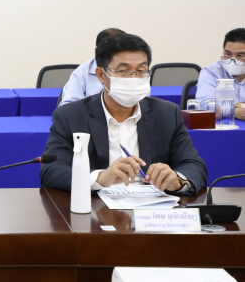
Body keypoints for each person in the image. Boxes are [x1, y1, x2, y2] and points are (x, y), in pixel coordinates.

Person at [41, 33, 207, 193]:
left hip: (152, 207)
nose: (133, 78)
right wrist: (100, 177)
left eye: (141, 71)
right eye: (122, 71)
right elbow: (51, 171)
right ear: (101, 75)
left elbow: (194, 166)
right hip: (96, 206)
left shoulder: (167, 114)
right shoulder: (70, 116)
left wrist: (177, 180)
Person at [59, 28, 126, 106]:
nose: (116, 57)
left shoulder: (135, 71)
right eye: (112, 52)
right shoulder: (81, 73)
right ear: (97, 51)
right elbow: (67, 107)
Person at [196, 28, 245, 120]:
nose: (232, 59)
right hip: (222, 126)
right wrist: (233, 110)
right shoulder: (211, 72)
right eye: (228, 54)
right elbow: (203, 104)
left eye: (240, 55)